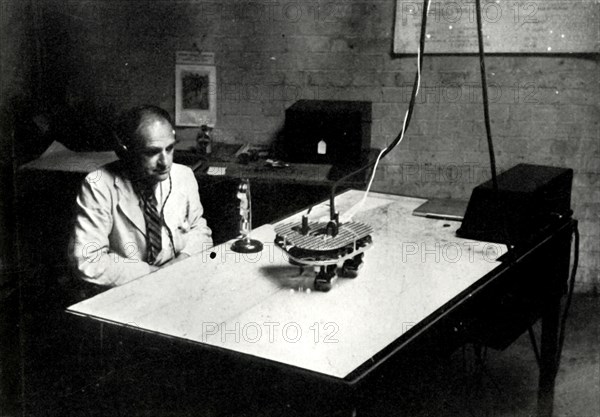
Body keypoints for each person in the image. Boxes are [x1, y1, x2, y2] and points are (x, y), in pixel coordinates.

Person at [69, 105, 212, 287]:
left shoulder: (183, 175)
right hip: (125, 287)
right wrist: (153, 275)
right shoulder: (98, 185)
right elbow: (88, 260)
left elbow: (200, 231)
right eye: (152, 152)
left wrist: (179, 263)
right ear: (125, 151)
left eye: (169, 149)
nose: (165, 162)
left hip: (176, 278)